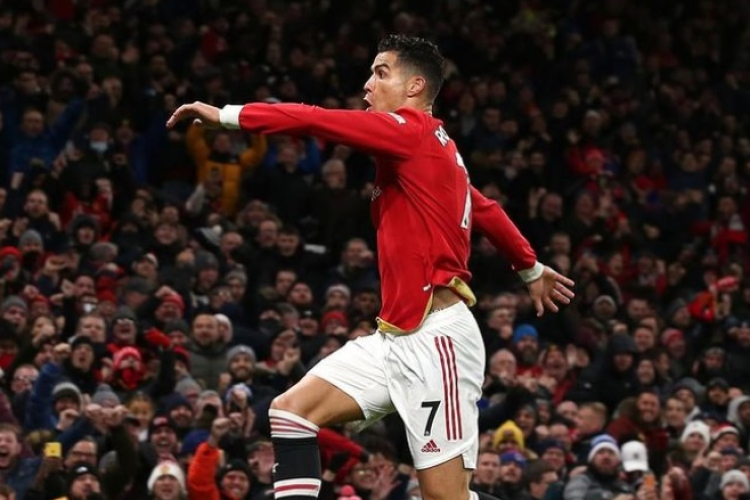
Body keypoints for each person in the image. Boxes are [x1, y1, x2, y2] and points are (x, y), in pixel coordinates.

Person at [167, 34, 575, 500]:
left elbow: (314, 119)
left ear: (414, 86)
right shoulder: (435, 152)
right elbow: (484, 209)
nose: (367, 84)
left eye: (381, 73)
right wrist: (530, 268)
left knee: (445, 498)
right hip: (394, 338)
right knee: (290, 412)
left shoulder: (410, 131)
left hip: (438, 341)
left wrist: (225, 115)